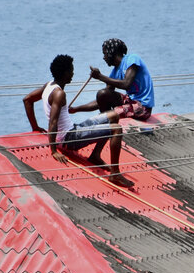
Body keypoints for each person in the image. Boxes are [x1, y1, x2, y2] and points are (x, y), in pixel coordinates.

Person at [23, 54, 134, 188]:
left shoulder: (49, 85)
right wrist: (53, 150)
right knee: (117, 129)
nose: (73, 73)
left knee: (113, 115)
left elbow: (27, 100)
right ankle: (115, 173)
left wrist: (35, 127)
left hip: (73, 129)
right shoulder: (59, 94)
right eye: (71, 70)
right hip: (69, 139)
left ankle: (95, 156)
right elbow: (53, 122)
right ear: (65, 73)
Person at [89, 38, 155, 120]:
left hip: (142, 108)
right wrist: (76, 109)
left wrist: (100, 77)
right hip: (130, 102)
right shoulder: (115, 72)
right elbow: (101, 99)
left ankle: (108, 121)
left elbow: (126, 84)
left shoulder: (132, 59)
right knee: (103, 94)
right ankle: (107, 121)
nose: (104, 57)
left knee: (110, 114)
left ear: (112, 52)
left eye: (105, 54)